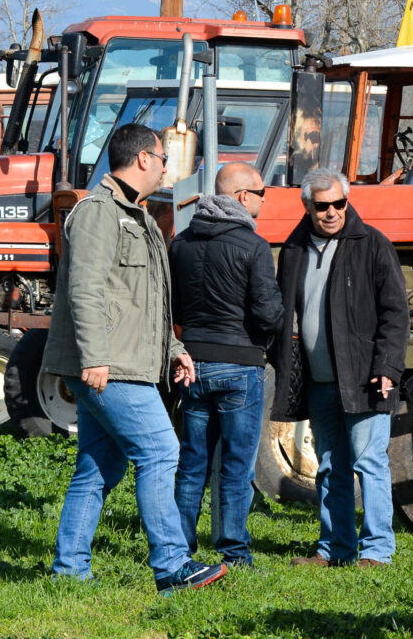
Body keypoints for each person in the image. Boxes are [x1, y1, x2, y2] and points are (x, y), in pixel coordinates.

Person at [41, 123, 226, 594]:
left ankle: (69, 571)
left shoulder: (137, 215)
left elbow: (143, 302)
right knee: (161, 451)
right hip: (110, 367)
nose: (167, 167)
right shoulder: (98, 213)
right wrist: (96, 357)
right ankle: (172, 567)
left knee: (99, 467)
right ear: (143, 158)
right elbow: (84, 290)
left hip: (126, 362)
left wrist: (175, 350)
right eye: (163, 158)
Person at [271, 167, 409, 568]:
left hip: (366, 379)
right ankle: (335, 548)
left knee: (369, 463)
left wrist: (387, 368)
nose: (332, 212)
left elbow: (396, 314)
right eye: (322, 206)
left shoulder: (372, 245)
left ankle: (378, 551)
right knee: (331, 467)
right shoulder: (294, 250)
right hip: (318, 382)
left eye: (339, 203)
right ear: (307, 208)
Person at [169, 161, 284, 569]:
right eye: (260, 193)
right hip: (239, 366)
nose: (263, 201)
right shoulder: (253, 246)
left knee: (191, 463)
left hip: (193, 366)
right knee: (236, 465)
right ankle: (234, 553)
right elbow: (269, 315)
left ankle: (179, 549)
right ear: (240, 197)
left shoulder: (180, 243)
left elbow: (175, 307)